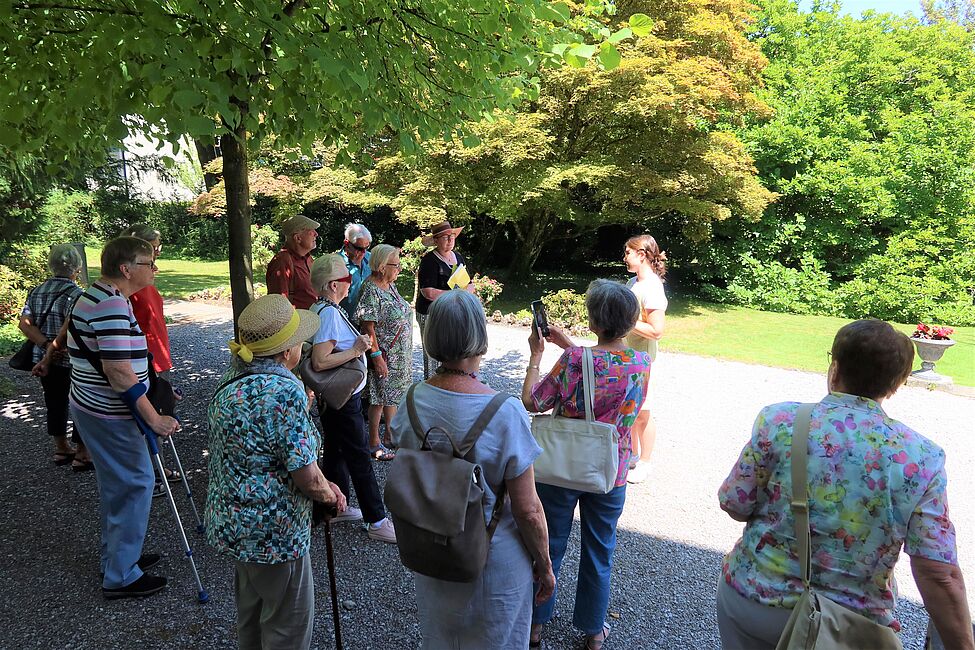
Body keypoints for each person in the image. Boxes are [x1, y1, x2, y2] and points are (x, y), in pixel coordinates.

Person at [717, 319, 973, 650]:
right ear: (896, 384)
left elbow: (734, 503)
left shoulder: (780, 421)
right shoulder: (920, 457)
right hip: (848, 626)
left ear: (834, 368)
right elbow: (938, 572)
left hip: (754, 601)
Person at [390, 290, 555, 649]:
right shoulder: (505, 412)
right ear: (479, 337)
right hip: (491, 558)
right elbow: (528, 509)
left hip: (431, 545)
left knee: (441, 638)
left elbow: (400, 445)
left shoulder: (412, 399)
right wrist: (544, 565)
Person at [206, 294, 347, 650]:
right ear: (286, 352)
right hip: (276, 535)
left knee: (251, 620)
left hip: (238, 527)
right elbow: (307, 476)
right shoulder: (284, 392)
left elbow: (260, 449)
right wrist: (331, 497)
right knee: (287, 626)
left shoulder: (231, 381)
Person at [523, 279, 652, 650]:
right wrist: (569, 346)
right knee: (600, 549)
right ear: (629, 322)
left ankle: (534, 624)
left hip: (563, 466)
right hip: (612, 469)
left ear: (593, 322)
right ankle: (594, 631)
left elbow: (533, 401)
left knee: (550, 544)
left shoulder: (576, 361)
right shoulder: (641, 363)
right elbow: (608, 369)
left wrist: (537, 355)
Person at [65, 236, 180, 599]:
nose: (154, 269)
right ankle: (120, 575)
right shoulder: (112, 306)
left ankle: (118, 558)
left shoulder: (94, 296)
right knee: (135, 485)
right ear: (127, 269)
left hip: (91, 407)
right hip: (111, 414)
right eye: (149, 262)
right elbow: (119, 373)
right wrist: (154, 419)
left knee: (118, 486)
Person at [308, 253, 397, 543]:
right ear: (333, 285)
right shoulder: (330, 314)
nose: (350, 283)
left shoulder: (320, 308)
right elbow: (320, 362)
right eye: (345, 279)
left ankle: (336, 505)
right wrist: (357, 349)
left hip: (335, 399)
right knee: (359, 456)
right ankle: (377, 519)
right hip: (343, 400)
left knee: (335, 449)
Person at [121, 224, 181, 493]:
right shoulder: (131, 286)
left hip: (158, 355)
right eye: (155, 248)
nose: (158, 253)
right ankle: (153, 474)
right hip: (145, 359)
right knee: (148, 415)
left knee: (161, 409)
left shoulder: (146, 280)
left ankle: (155, 468)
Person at [21, 244, 87, 469]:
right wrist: (56, 347)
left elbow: (25, 324)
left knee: (54, 402)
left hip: (43, 360)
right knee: (80, 403)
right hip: (71, 360)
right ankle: (81, 453)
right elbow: (72, 327)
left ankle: (61, 448)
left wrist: (46, 346)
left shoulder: (36, 291)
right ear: (76, 268)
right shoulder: (77, 295)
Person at [355, 244, 413, 460]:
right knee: (378, 397)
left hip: (399, 355)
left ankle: (390, 435)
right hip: (384, 354)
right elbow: (367, 327)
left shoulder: (389, 285)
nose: (399, 269)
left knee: (392, 396)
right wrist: (376, 357)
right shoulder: (371, 289)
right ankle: (374, 443)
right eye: (395, 265)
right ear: (381, 266)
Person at [622, 234, 668, 485]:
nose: (624, 257)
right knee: (630, 409)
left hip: (644, 361)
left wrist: (625, 319)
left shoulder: (652, 287)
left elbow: (657, 330)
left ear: (641, 255)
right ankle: (633, 454)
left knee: (643, 413)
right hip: (628, 358)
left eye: (628, 252)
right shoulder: (633, 282)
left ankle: (646, 462)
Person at [415, 220, 475, 378]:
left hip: (453, 311)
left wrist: (466, 291)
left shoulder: (458, 257)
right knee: (433, 352)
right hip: (431, 313)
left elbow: (469, 283)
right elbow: (428, 292)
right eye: (445, 237)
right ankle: (432, 384)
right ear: (435, 240)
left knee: (452, 349)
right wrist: (457, 294)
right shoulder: (429, 261)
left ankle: (450, 383)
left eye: (452, 236)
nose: (450, 240)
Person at [266, 215, 320, 309]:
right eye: (311, 231)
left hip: (313, 319)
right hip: (298, 322)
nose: (316, 234)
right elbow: (279, 305)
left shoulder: (308, 258)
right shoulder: (282, 262)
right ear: (297, 238)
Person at [337, 222, 372, 317]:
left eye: (367, 247)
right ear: (347, 243)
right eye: (359, 248)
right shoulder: (336, 264)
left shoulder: (371, 259)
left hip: (368, 320)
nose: (364, 252)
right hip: (346, 321)